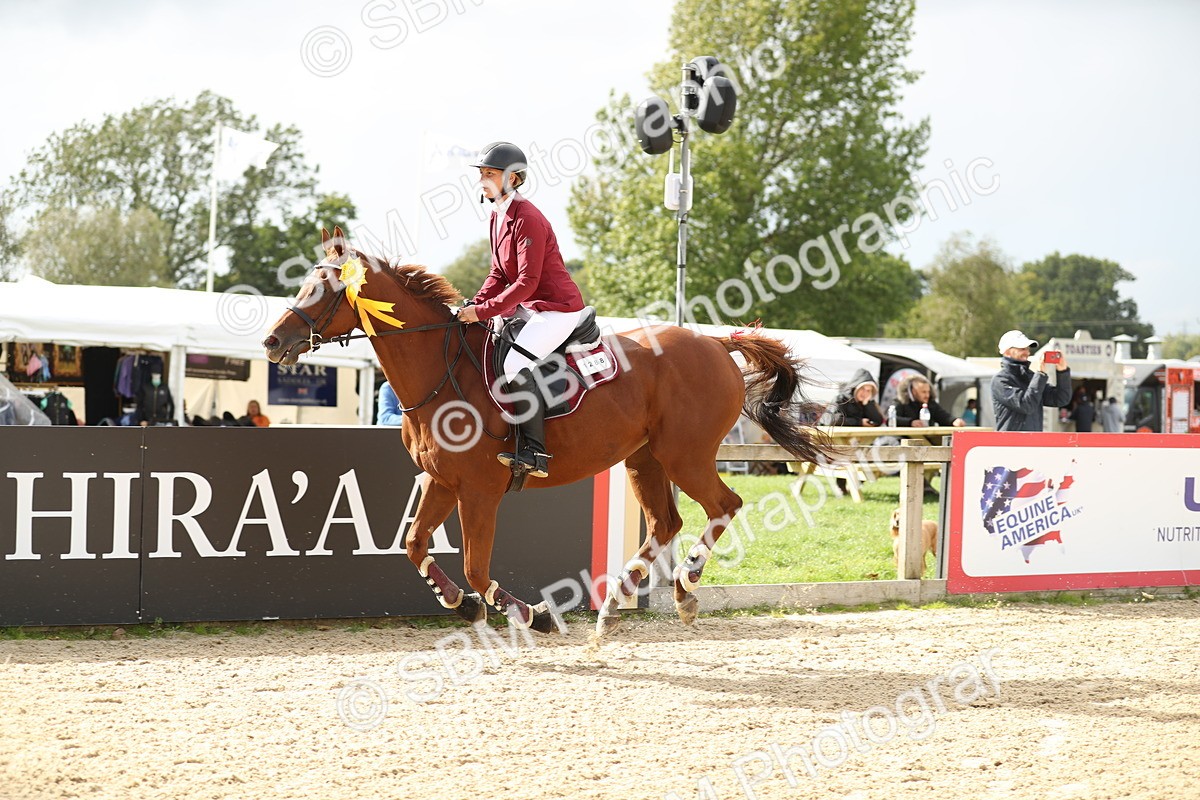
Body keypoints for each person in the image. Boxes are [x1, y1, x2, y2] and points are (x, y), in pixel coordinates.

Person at [454, 141, 585, 478]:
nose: (483, 181)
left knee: (513, 363)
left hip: (557, 308)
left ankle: (535, 452)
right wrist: (476, 302)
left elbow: (527, 281)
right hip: (530, 308)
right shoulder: (498, 217)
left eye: (490, 174)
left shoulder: (527, 217)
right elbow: (498, 273)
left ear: (512, 179)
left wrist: (484, 312)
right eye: (482, 174)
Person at [990, 330, 1072, 431]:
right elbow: (1026, 405)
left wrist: (1062, 372)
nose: (1027, 352)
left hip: (1033, 443)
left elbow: (1061, 398)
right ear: (1007, 352)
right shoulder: (1000, 380)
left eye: (1027, 348)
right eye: (1022, 348)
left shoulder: (1031, 377)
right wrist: (1040, 374)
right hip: (1010, 445)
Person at [894, 375, 966, 428]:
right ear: (914, 392)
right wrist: (910, 422)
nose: (927, 395)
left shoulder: (930, 403)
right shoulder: (901, 401)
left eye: (928, 392)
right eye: (923, 392)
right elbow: (892, 419)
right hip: (902, 440)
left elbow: (942, 415)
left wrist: (954, 421)